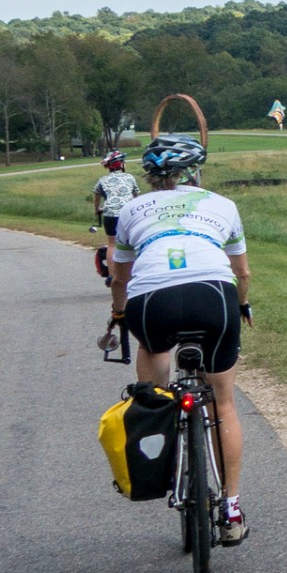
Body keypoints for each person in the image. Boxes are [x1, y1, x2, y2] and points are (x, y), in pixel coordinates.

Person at [107, 135, 253, 544]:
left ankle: (165, 459)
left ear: (151, 177)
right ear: (195, 171)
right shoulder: (222, 205)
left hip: (152, 301)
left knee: (154, 390)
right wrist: (242, 306)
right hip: (214, 296)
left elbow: (119, 278)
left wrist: (120, 314)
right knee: (222, 402)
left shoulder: (132, 209)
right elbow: (242, 274)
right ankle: (231, 507)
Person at [91, 150, 140, 260]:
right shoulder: (129, 177)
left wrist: (97, 209)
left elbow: (97, 196)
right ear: (121, 164)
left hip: (110, 214)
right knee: (131, 242)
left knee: (112, 244)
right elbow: (136, 195)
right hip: (128, 214)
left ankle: (112, 275)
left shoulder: (102, 180)